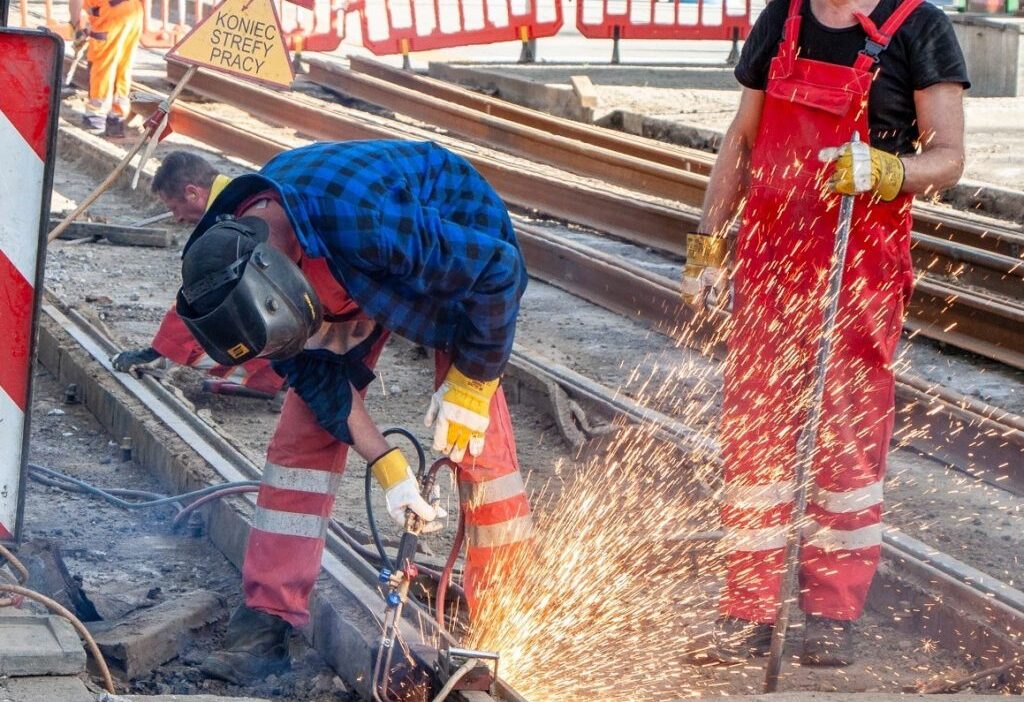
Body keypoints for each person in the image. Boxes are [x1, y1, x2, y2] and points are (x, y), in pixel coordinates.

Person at [174, 140, 533, 683]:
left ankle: (507, 620)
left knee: (479, 448)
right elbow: (320, 382)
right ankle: (264, 621)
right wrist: (387, 464)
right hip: (344, 257)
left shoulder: (373, 225)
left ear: (282, 274)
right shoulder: (231, 244)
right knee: (302, 438)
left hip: (461, 264)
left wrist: (472, 385)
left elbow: (498, 273)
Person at [682, 0, 968, 667]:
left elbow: (949, 157)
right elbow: (742, 139)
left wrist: (892, 171)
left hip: (859, 262)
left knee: (844, 440)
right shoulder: (782, 16)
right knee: (755, 436)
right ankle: (747, 604)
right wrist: (705, 245)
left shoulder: (919, 29)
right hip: (770, 258)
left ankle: (830, 610)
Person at [111, 151, 283, 398]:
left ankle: (277, 376)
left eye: (175, 207)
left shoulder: (229, 227)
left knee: (202, 346)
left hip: (299, 331)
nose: (178, 218)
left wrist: (160, 353)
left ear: (193, 193)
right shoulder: (240, 199)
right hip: (316, 315)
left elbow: (202, 295)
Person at [69, 0, 143, 137]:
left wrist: (76, 27)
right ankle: (116, 117)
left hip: (110, 12)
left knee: (102, 64)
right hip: (134, 10)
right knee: (123, 65)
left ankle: (95, 117)